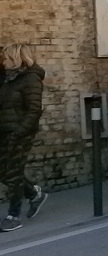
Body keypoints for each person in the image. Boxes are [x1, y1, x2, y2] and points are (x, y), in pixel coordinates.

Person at [0, 44, 49, 232]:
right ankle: (34, 193)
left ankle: (14, 215)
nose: (3, 61)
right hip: (5, 131)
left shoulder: (31, 79)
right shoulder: (9, 79)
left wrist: (19, 132)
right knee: (4, 171)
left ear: (16, 58)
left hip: (20, 133)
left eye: (6, 57)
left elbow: (34, 110)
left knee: (13, 173)